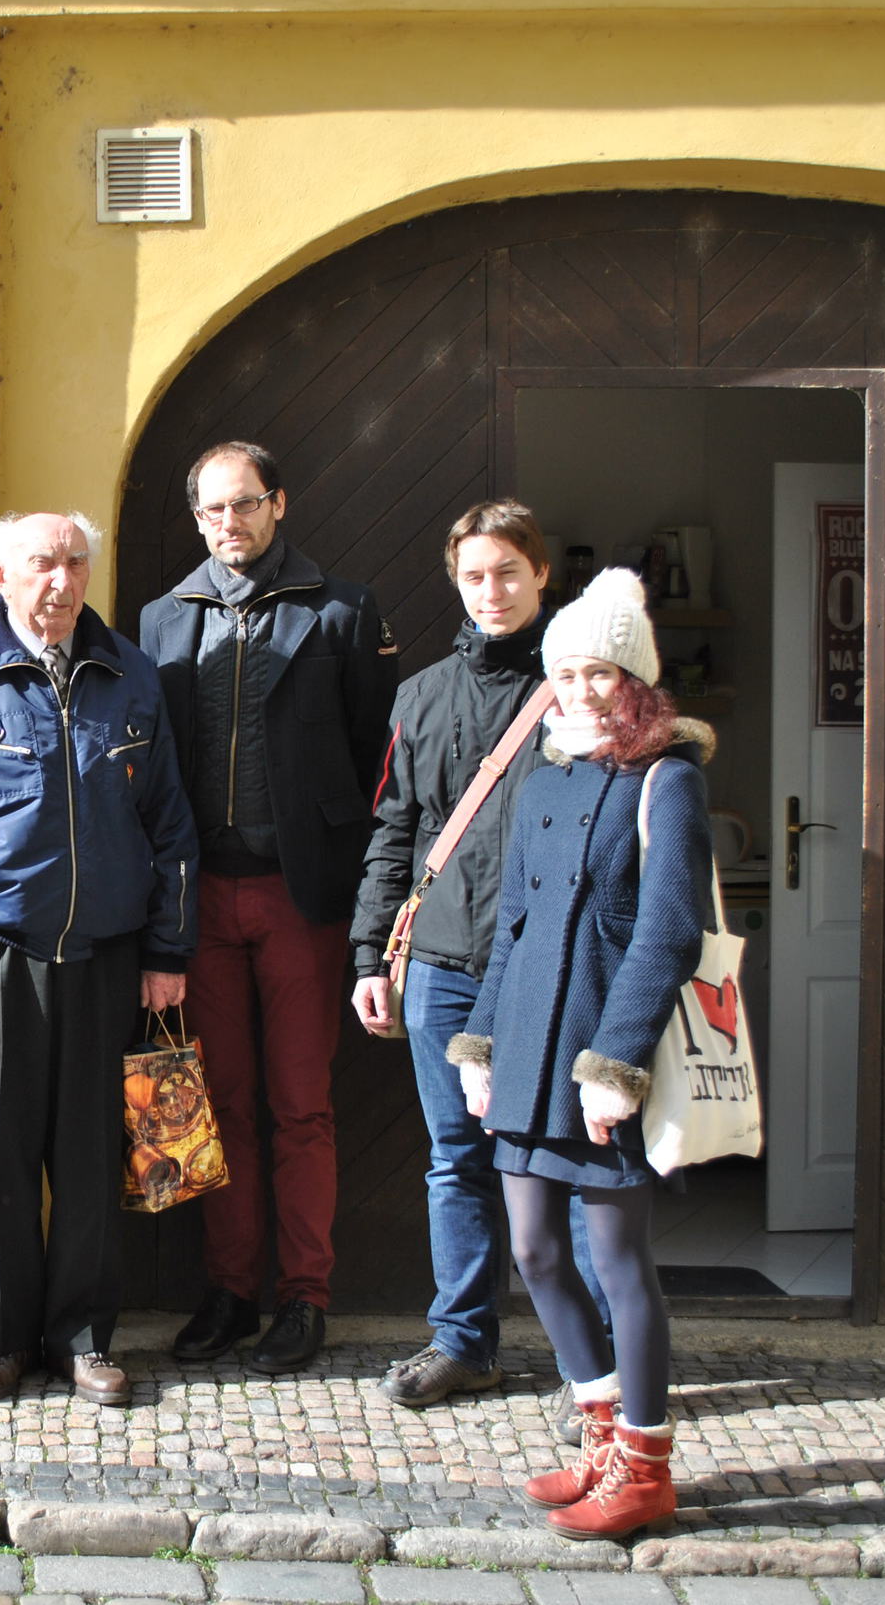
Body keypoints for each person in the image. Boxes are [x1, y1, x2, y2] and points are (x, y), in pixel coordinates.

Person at [0, 511, 199, 1407]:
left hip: (107, 952)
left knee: (93, 1152)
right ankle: (4, 1339)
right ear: (0, 572)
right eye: (41, 564)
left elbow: (169, 821)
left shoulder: (129, 671)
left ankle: (85, 1338)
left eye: (74, 563)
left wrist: (169, 946)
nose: (61, 582)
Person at [445, 567, 713, 1540]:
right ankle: (599, 1432)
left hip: (602, 1051)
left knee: (619, 1258)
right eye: (567, 673)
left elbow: (668, 933)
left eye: (602, 671)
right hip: (526, 1045)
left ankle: (645, 1463)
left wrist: (616, 1064)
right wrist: (478, 1043)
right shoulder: (546, 778)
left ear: (635, 677)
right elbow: (512, 926)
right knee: (533, 1249)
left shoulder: (668, 779)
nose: (584, 689)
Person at [351, 501, 612, 1427]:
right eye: (473, 575)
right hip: (443, 964)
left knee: (568, 1161)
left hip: (552, 967)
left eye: (507, 571)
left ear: (541, 574)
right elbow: (396, 831)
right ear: (454, 582)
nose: (491, 590)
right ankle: (464, 1342)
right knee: (455, 1161)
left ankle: (597, 1366)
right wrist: (371, 953)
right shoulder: (421, 695)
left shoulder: (581, 690)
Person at [138, 440, 396, 1375]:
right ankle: (230, 1290)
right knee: (217, 1104)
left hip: (300, 894)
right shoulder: (163, 617)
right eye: (212, 509)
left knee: (299, 1105)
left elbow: (376, 761)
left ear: (278, 503)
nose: (229, 523)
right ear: (197, 517)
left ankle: (304, 1296)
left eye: (245, 503)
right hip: (198, 895)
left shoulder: (341, 609)